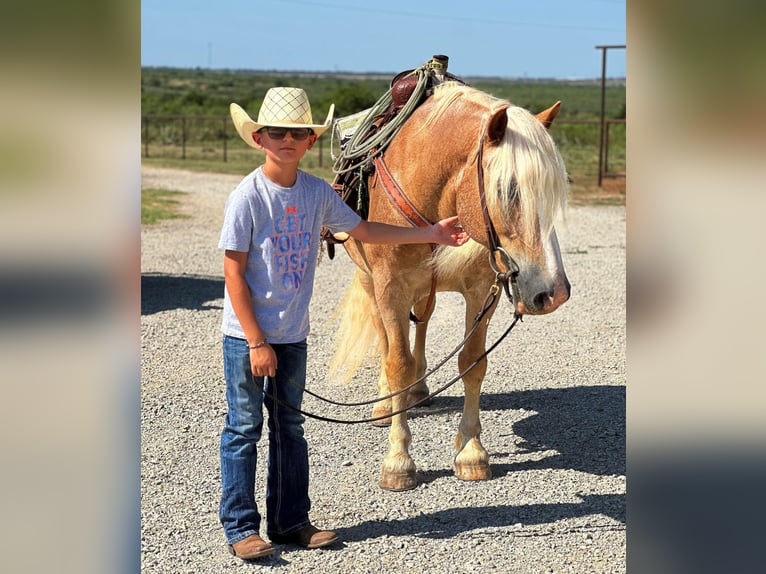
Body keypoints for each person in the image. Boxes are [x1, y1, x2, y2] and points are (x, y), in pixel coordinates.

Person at [218, 87, 469, 561]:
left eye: (297, 133)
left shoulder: (315, 192)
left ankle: (291, 521)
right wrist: (255, 340)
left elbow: (364, 231)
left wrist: (429, 233)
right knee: (245, 427)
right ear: (260, 139)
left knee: (290, 428)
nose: (287, 139)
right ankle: (241, 527)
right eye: (277, 132)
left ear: (310, 142)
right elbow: (233, 272)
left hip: (292, 336)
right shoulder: (247, 197)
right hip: (248, 338)